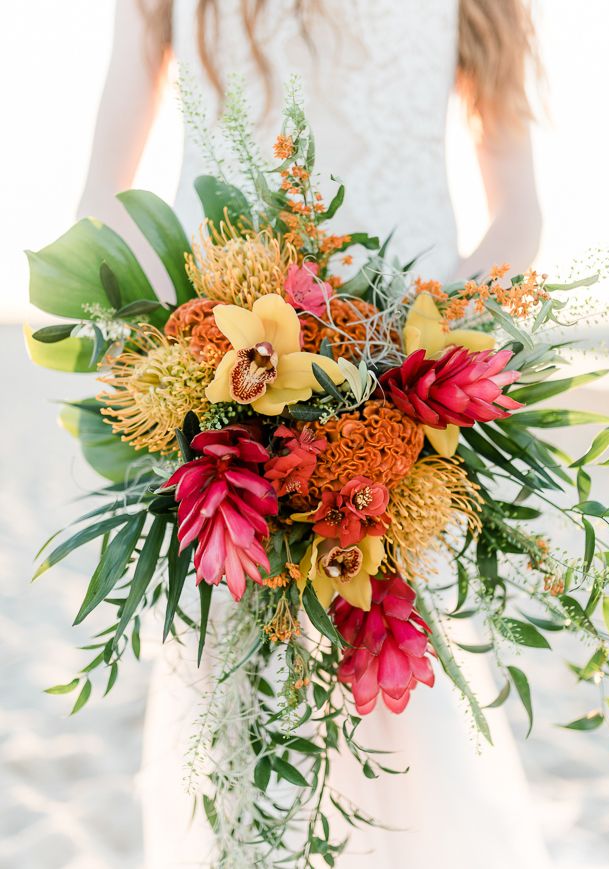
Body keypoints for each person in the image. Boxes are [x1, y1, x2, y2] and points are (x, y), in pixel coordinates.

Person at [79, 2, 548, 867]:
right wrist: (170, 359)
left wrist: (415, 367)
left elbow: (518, 213)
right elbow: (105, 202)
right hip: (225, 409)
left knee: (399, 688)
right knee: (229, 709)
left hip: (403, 427)